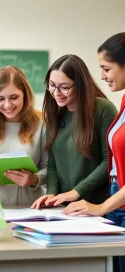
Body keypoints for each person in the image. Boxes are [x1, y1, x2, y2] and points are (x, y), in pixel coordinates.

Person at [63, 33, 125, 272]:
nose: (102, 76)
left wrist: (101, 207)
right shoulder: (123, 101)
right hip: (116, 200)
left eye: (106, 68)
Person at [31, 54, 117, 209]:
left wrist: (77, 191)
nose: (56, 92)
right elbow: (52, 164)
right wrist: (51, 193)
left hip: (98, 206)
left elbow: (110, 161)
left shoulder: (103, 109)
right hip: (64, 208)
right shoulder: (55, 114)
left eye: (64, 87)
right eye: (51, 85)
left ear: (81, 85)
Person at [0, 66, 47, 205]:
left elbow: (50, 169)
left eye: (14, 97)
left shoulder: (41, 123)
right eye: (0, 98)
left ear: (25, 95)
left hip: (30, 207)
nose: (7, 105)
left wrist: (33, 179)